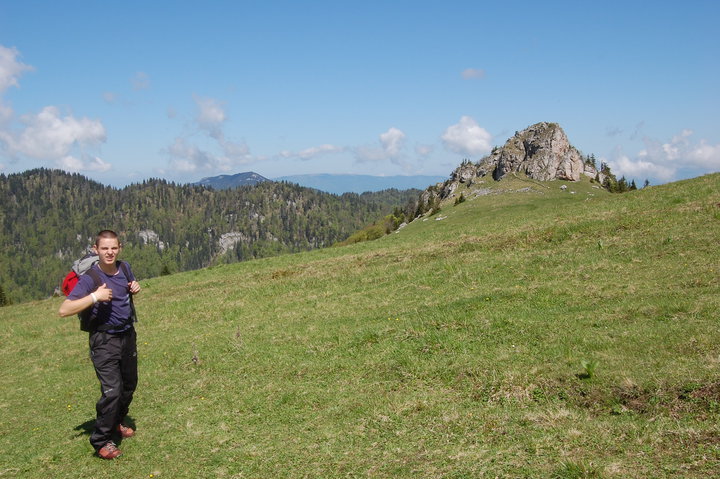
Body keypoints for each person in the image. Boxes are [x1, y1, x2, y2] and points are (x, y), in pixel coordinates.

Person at [59, 230, 141, 460]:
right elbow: (64, 310)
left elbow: (126, 292)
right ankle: (101, 440)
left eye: (113, 247)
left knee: (129, 385)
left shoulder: (124, 268)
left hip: (127, 335)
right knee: (112, 390)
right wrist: (95, 297)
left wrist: (134, 287)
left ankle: (116, 422)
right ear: (96, 250)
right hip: (103, 340)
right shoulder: (90, 279)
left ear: (119, 248)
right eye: (104, 248)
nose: (109, 252)